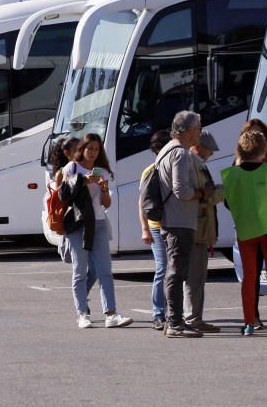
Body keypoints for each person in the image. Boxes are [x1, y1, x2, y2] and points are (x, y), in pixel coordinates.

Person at [222, 130, 267, 335]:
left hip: (246, 229)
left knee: (249, 277)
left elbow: (228, 204)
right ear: (263, 149)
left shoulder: (232, 174)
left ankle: (248, 323)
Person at [59, 133, 133, 329]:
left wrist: (104, 187)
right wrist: (84, 180)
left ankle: (111, 313)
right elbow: (63, 195)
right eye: (89, 148)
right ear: (82, 149)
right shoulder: (72, 168)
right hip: (77, 223)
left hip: (98, 222)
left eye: (97, 149)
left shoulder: (104, 172)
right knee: (79, 271)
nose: (93, 153)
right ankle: (82, 314)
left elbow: (106, 204)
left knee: (105, 271)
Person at [156, 111, 211, 338]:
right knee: (176, 273)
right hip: (178, 221)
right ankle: (175, 323)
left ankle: (176, 321)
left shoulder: (167, 150)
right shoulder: (179, 153)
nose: (200, 132)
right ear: (188, 131)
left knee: (176, 272)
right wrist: (202, 193)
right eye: (198, 128)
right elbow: (181, 191)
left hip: (173, 220)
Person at [184, 130, 226, 332]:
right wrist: (222, 192)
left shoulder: (195, 162)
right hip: (197, 227)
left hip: (199, 226)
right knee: (195, 276)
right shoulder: (192, 163)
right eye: (209, 150)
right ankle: (193, 318)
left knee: (196, 276)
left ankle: (194, 317)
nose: (211, 154)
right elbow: (202, 195)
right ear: (199, 146)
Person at [139, 130, 172, 330]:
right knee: (163, 268)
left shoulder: (174, 166)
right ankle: (158, 313)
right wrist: (145, 228)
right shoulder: (150, 171)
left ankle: (173, 312)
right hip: (157, 227)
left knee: (174, 270)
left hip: (174, 225)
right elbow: (142, 203)